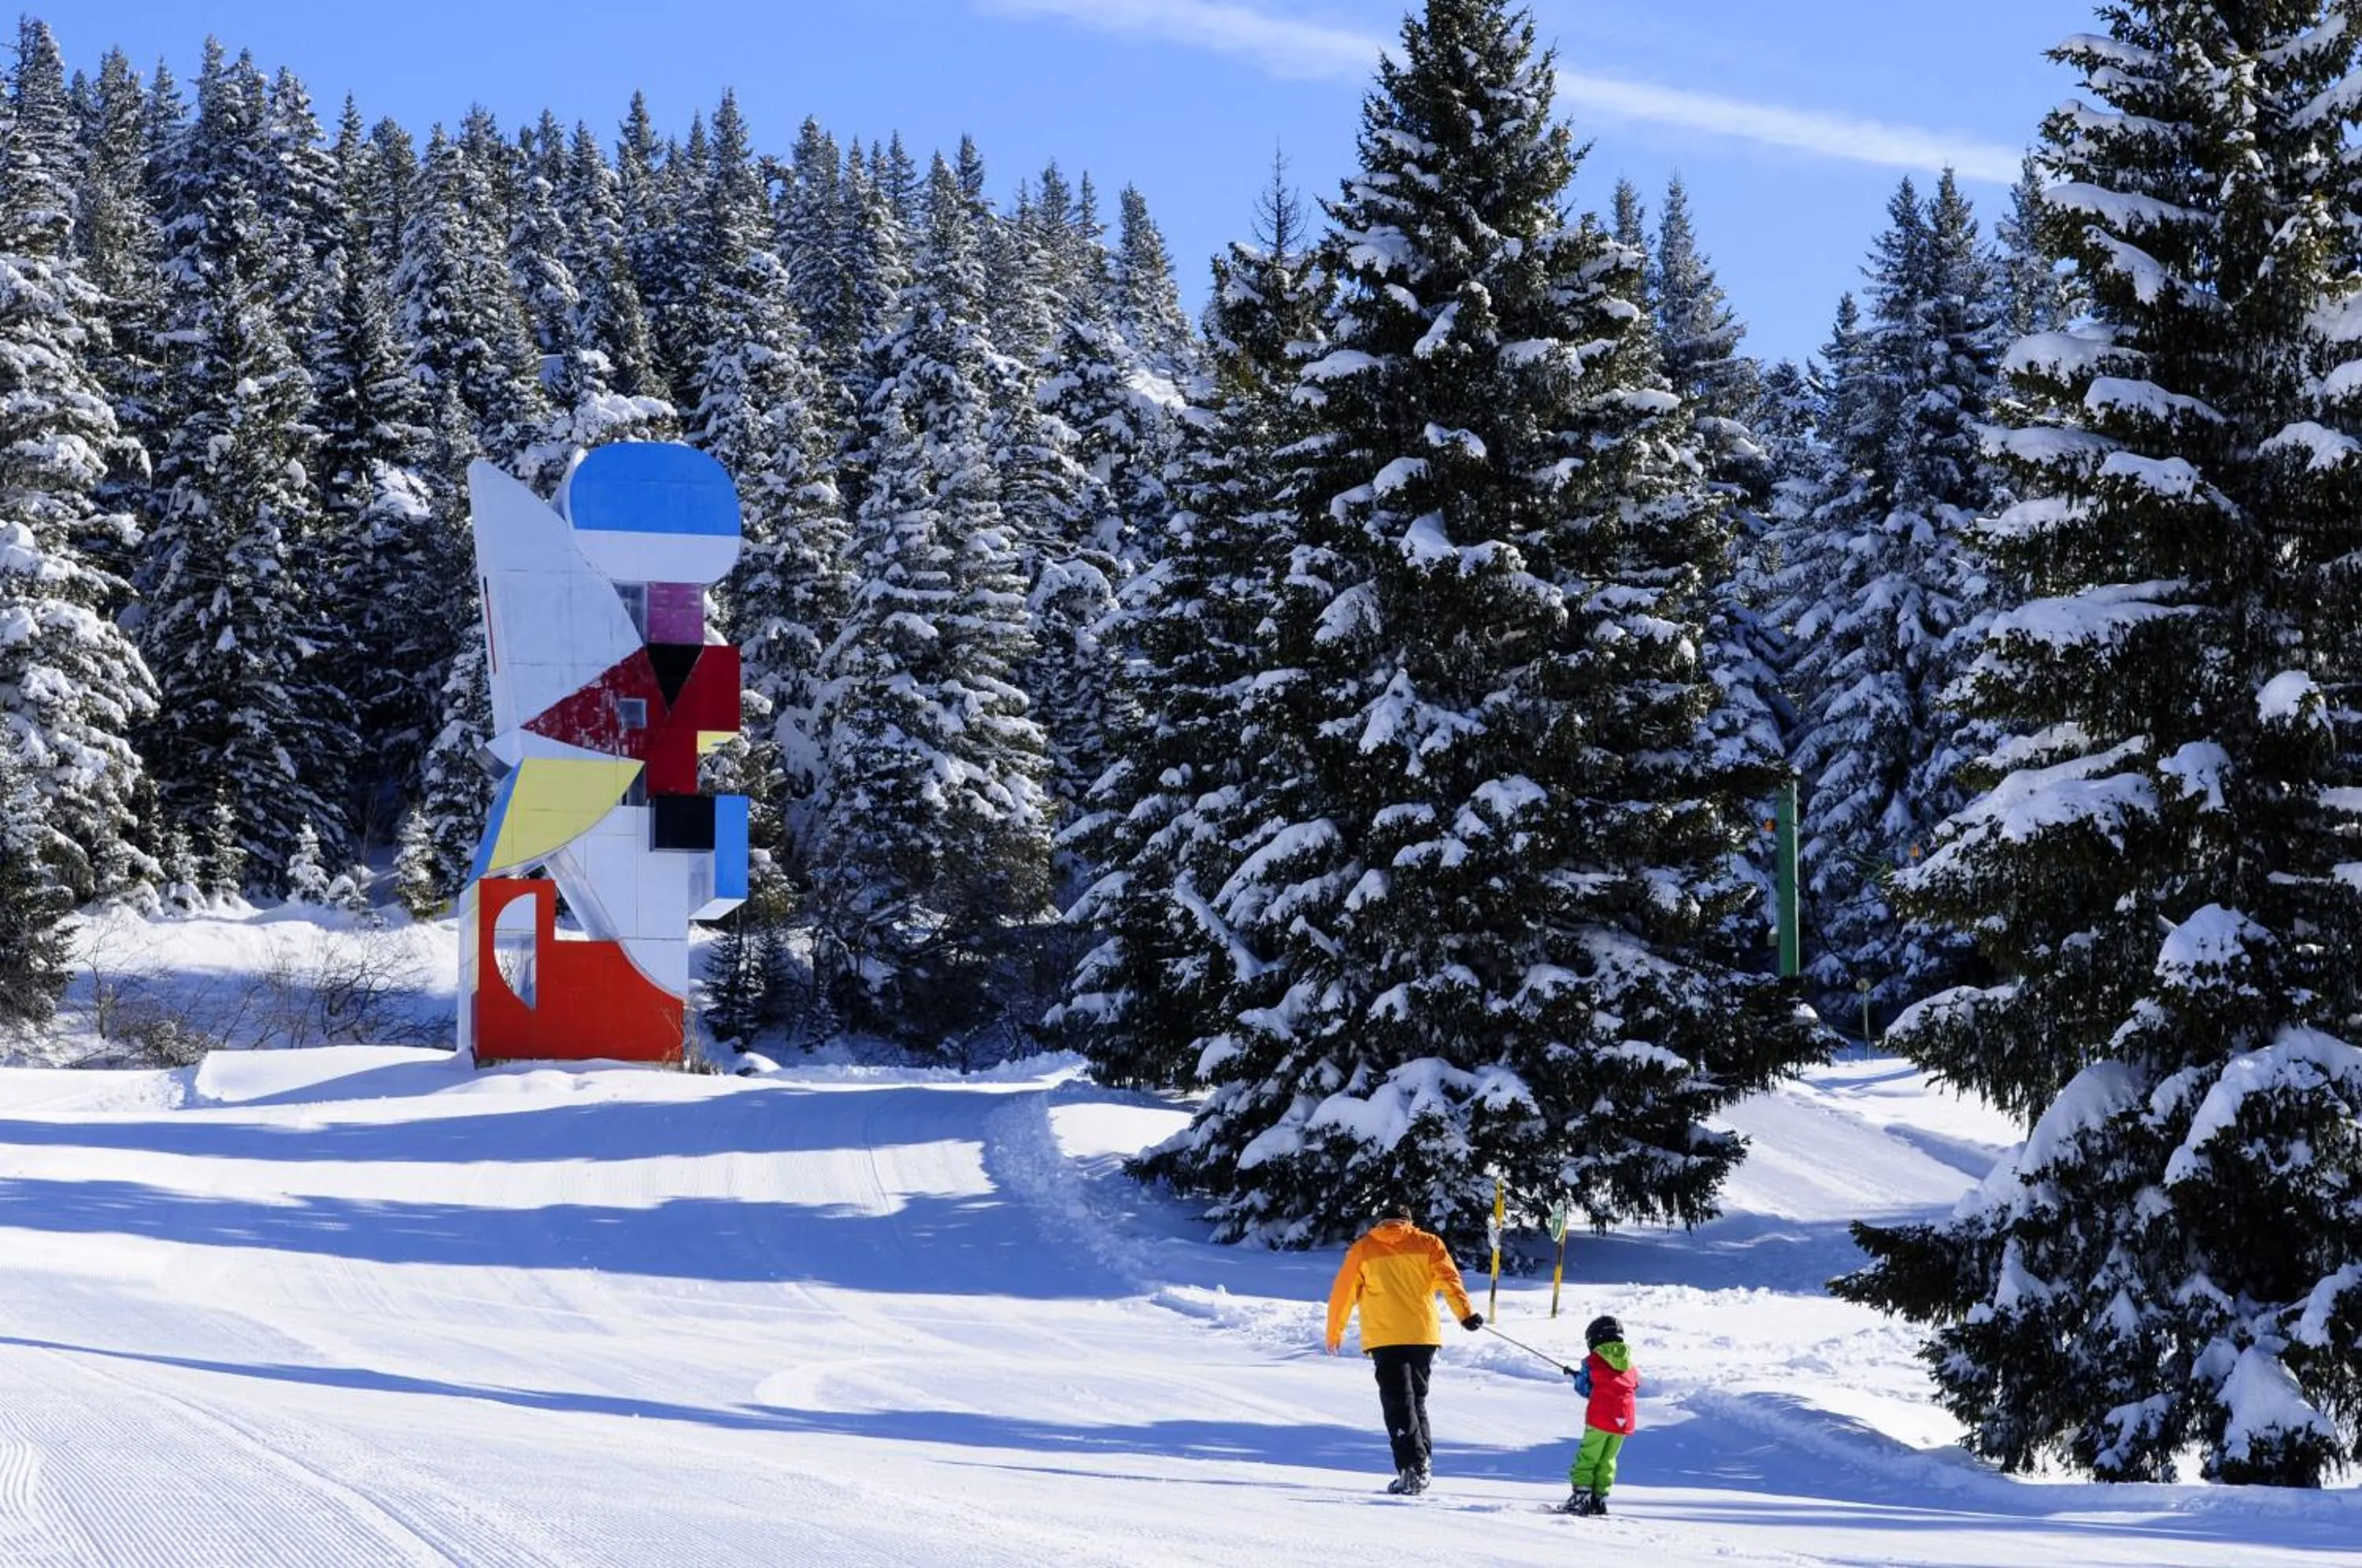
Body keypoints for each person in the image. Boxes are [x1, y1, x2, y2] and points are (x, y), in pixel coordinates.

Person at [1324, 1200, 1482, 1495]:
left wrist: (1335, 1332)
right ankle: (1422, 1465)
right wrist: (1465, 1314)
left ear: (1381, 1222)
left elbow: (1343, 1293)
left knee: (1398, 1403)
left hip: (1385, 1337)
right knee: (1416, 1401)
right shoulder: (1428, 1243)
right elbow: (1450, 1280)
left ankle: (1412, 1469)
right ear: (1408, 1221)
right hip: (1422, 1336)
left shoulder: (1364, 1248)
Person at [1560, 1313, 1640, 1516]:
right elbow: (1631, 1385)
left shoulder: (1593, 1361)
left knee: (1588, 1456)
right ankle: (1600, 1498)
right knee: (1608, 1459)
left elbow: (1585, 1389)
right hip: (1623, 1421)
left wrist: (1578, 1377)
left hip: (1600, 1418)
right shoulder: (1629, 1364)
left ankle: (1581, 1497)